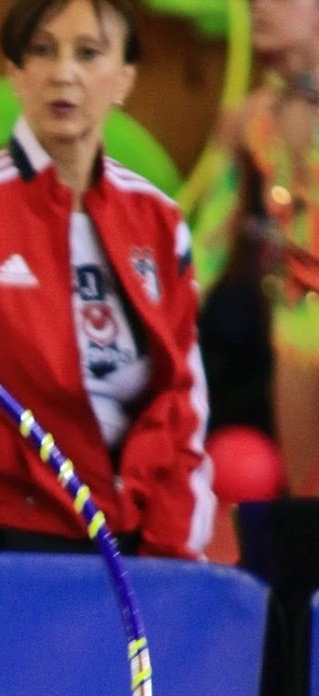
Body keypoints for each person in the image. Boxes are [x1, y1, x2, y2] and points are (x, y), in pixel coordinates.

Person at [0, 0, 217, 558]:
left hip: (128, 538)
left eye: (88, 53)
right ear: (16, 75)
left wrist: (169, 554)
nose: (63, 73)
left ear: (124, 79)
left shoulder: (160, 222)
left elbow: (181, 401)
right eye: (43, 51)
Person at [212, 0, 319, 494]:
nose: (257, 5)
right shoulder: (250, 119)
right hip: (295, 331)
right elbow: (210, 240)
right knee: (306, 506)